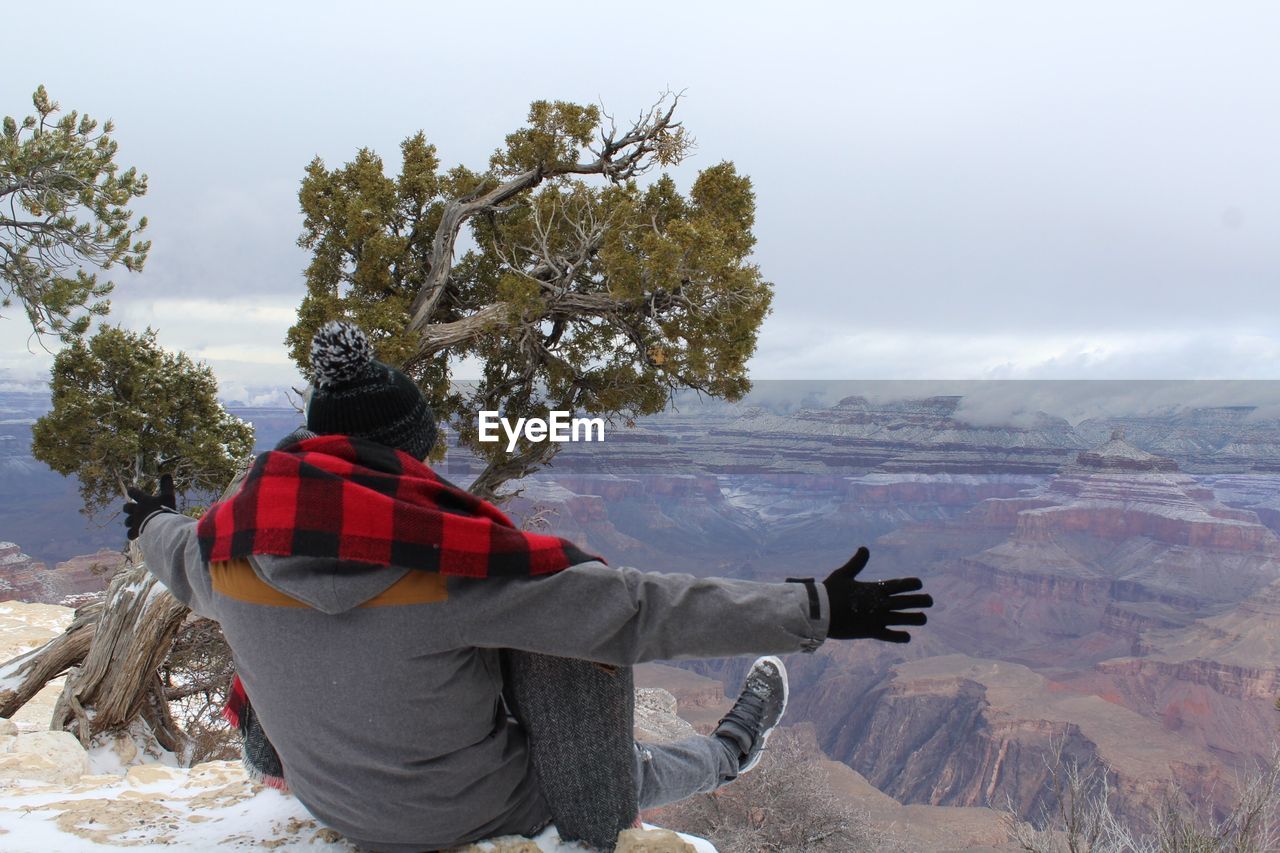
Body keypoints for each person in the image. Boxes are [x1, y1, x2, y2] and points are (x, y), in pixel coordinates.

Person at [124, 321, 933, 852]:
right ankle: (729, 751)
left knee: (277, 637)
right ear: (403, 457)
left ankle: (278, 759)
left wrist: (145, 520)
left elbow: (163, 547)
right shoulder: (450, 569)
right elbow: (641, 609)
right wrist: (817, 610)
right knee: (577, 645)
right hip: (463, 814)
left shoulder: (223, 544)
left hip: (331, 796)